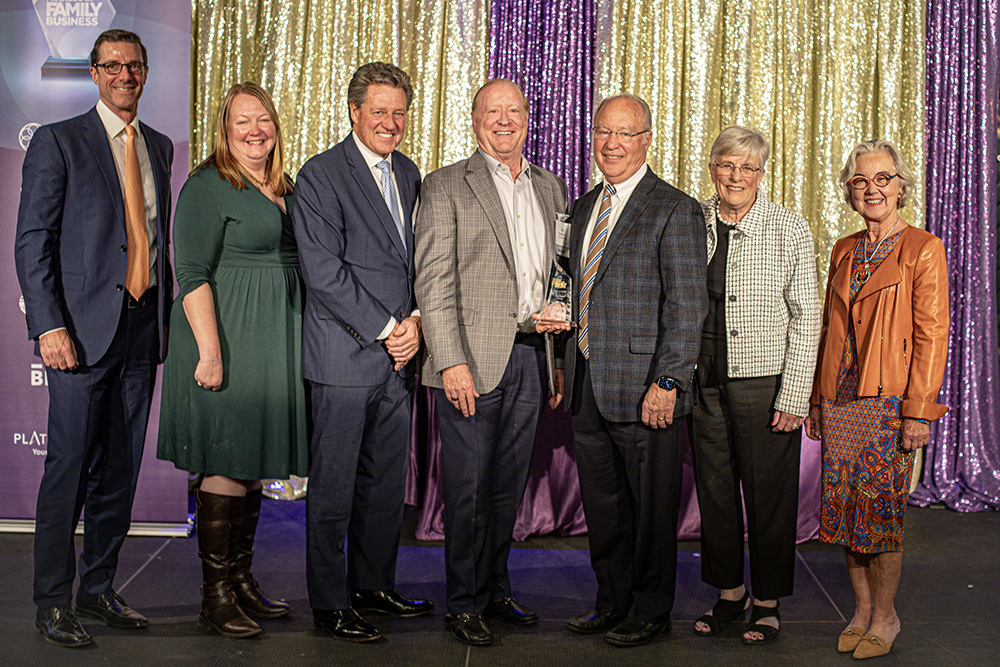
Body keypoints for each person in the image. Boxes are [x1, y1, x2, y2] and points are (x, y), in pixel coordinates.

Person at [14, 29, 173, 648]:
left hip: (141, 325)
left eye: (134, 66)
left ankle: (99, 588)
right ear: (94, 72)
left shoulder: (157, 145)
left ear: (146, 71)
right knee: (70, 466)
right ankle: (52, 601)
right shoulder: (59, 142)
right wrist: (49, 324)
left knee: (122, 468)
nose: (125, 75)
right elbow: (34, 243)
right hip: (78, 332)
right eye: (113, 66)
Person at [535, 94, 707, 647]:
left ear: (646, 141)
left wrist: (669, 380)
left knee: (651, 509)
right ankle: (611, 601)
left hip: (645, 388)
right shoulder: (584, 207)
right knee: (604, 508)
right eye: (603, 132)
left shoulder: (674, 208)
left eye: (625, 134)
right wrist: (562, 362)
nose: (611, 143)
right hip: (588, 383)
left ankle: (651, 610)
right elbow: (572, 287)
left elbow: (688, 305)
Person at [415, 78, 568, 647]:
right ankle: (463, 603)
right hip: (470, 363)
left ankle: (494, 588)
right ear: (473, 118)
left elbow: (558, 275)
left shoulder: (551, 188)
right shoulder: (446, 185)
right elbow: (433, 280)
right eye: (491, 111)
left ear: (528, 118)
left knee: (507, 488)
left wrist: (556, 361)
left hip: (531, 355)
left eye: (513, 111)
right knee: (467, 489)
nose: (503, 120)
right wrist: (449, 360)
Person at [156, 82, 308, 638]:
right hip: (227, 337)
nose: (255, 130)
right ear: (225, 130)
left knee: (248, 463)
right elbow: (191, 271)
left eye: (263, 119)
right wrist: (212, 352)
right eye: (242, 121)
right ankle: (214, 595)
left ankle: (241, 581)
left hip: (270, 341)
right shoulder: (207, 185)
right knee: (225, 460)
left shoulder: (282, 187)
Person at [293, 62, 432, 643]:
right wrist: (387, 327)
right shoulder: (321, 174)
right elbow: (323, 272)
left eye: (399, 112)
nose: (391, 123)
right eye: (380, 111)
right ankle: (329, 602)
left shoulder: (408, 172)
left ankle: (372, 584)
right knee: (333, 484)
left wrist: (417, 323)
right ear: (354, 112)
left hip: (398, 360)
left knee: (382, 484)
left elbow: (418, 261)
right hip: (345, 356)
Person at [804, 139, 949, 659]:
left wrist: (919, 411)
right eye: (861, 181)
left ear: (902, 187)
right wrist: (819, 401)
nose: (872, 189)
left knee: (881, 515)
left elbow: (932, 336)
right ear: (850, 190)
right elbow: (829, 329)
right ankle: (861, 611)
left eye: (882, 178)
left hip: (888, 404)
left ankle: (886, 616)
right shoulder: (844, 249)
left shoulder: (923, 248)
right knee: (846, 513)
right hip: (841, 403)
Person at [689, 126, 820, 644]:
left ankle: (766, 601)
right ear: (713, 168)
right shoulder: (691, 219)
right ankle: (729, 594)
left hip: (763, 383)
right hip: (705, 380)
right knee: (716, 493)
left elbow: (807, 316)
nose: (736, 175)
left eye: (748, 167)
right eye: (727, 164)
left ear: (762, 173)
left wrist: (794, 395)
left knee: (768, 496)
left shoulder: (788, 227)